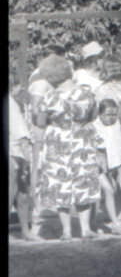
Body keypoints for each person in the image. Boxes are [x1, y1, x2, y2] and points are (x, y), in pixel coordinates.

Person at [30, 58, 104, 240]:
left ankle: (66, 231)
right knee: (83, 181)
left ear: (51, 77)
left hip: (58, 143)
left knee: (60, 184)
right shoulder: (87, 94)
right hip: (82, 141)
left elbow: (39, 121)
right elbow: (94, 116)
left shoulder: (48, 97)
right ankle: (85, 229)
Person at [93, 97, 121, 233]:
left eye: (113, 114)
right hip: (99, 164)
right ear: (100, 113)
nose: (111, 118)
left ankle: (116, 216)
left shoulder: (117, 124)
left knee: (116, 189)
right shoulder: (95, 126)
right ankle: (95, 221)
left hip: (116, 161)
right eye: (107, 115)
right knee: (100, 192)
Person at [8, 76, 35, 239]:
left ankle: (26, 231)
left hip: (18, 151)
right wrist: (26, 159)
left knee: (23, 193)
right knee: (12, 191)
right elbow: (21, 135)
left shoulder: (15, 103)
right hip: (14, 151)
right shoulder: (10, 104)